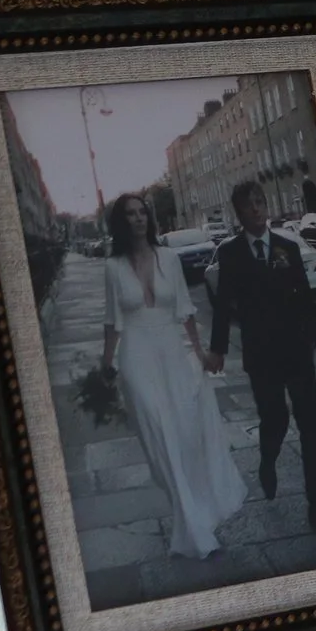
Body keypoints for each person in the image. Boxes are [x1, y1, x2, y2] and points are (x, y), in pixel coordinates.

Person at [98, 193, 248, 559]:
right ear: (121, 222)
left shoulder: (168, 258)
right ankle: (190, 521)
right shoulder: (113, 267)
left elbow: (185, 308)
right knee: (159, 437)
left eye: (142, 213)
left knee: (185, 436)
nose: (138, 219)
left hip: (172, 353)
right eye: (130, 214)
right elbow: (111, 321)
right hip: (136, 357)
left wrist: (199, 354)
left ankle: (197, 512)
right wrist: (105, 365)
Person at [205, 181, 316, 538]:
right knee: (275, 419)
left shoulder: (286, 246)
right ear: (239, 212)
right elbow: (222, 306)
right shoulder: (231, 253)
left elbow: (303, 293)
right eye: (249, 205)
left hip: (296, 350)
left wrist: (310, 334)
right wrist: (217, 348)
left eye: (261, 203)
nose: (257, 209)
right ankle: (267, 462)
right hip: (261, 354)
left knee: (313, 427)